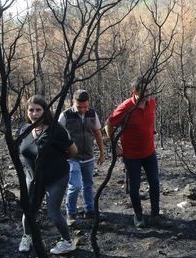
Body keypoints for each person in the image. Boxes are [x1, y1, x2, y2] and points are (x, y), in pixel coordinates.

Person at [18, 95, 78, 255]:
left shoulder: (56, 130)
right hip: (33, 177)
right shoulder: (25, 130)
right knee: (29, 210)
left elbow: (73, 151)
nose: (35, 113)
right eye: (31, 110)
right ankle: (27, 236)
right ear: (27, 112)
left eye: (38, 110)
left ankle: (67, 242)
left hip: (56, 177)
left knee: (53, 211)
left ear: (45, 111)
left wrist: (57, 161)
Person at [105, 76, 165, 228]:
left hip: (149, 152)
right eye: (145, 91)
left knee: (155, 183)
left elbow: (152, 116)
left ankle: (155, 215)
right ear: (135, 92)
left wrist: (153, 130)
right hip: (132, 155)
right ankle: (138, 215)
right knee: (134, 187)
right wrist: (115, 145)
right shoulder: (126, 107)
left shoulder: (151, 102)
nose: (148, 93)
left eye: (149, 90)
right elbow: (109, 124)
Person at [58, 90, 105, 225]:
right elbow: (57, 135)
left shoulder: (92, 114)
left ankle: (89, 210)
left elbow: (97, 133)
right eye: (79, 107)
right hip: (72, 157)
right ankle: (71, 213)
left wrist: (102, 153)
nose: (83, 110)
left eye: (85, 106)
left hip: (89, 156)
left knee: (88, 184)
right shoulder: (65, 115)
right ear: (73, 102)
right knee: (75, 185)